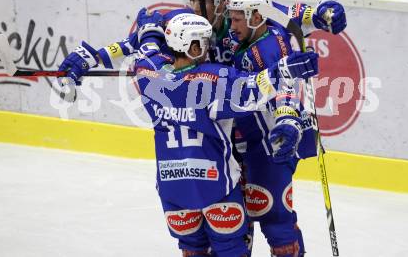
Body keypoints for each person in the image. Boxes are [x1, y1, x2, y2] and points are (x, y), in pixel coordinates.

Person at [130, 13, 320, 256]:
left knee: (193, 250)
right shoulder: (211, 80)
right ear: (193, 46)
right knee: (230, 248)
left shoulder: (148, 74)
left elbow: (148, 48)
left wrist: (149, 29)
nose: (209, 47)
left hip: (173, 191)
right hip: (216, 188)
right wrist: (285, 69)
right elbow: (256, 87)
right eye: (205, 42)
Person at [223, 0, 346, 256]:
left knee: (274, 217)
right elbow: (295, 13)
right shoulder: (266, 15)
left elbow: (285, 89)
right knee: (239, 216)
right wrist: (324, 12)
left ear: (255, 18)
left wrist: (286, 122)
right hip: (248, 140)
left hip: (272, 143)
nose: (230, 25)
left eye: (235, 19)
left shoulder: (270, 48)